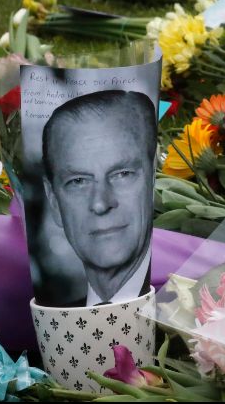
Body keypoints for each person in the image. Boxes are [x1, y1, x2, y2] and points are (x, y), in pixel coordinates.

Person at [42, 90, 157, 306]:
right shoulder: (42, 321)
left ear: (154, 179)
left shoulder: (198, 302)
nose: (100, 203)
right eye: (78, 181)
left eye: (122, 174)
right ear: (54, 201)